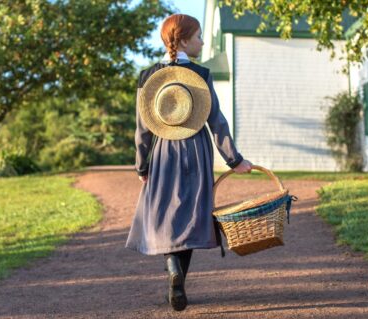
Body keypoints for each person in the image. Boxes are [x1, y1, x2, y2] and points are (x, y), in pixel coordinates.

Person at [125, 13, 253, 311]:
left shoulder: (148, 76)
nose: (203, 41)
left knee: (166, 217)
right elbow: (217, 122)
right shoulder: (201, 74)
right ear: (182, 40)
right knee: (192, 218)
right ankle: (179, 278)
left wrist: (142, 166)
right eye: (198, 37)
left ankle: (172, 268)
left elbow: (142, 129)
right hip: (196, 150)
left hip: (163, 153)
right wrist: (235, 160)